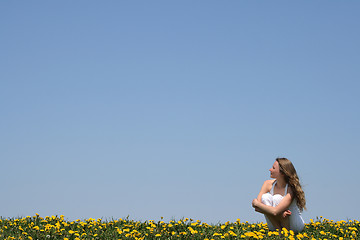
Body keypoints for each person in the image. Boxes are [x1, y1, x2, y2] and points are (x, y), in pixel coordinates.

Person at [252, 158, 306, 233]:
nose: (270, 169)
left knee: (277, 198)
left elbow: (273, 211)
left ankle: (285, 234)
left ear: (282, 173)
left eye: (273, 168)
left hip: (294, 225)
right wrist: (279, 213)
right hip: (275, 225)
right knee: (265, 197)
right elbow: (257, 208)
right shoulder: (267, 184)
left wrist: (256, 203)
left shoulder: (291, 188)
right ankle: (279, 231)